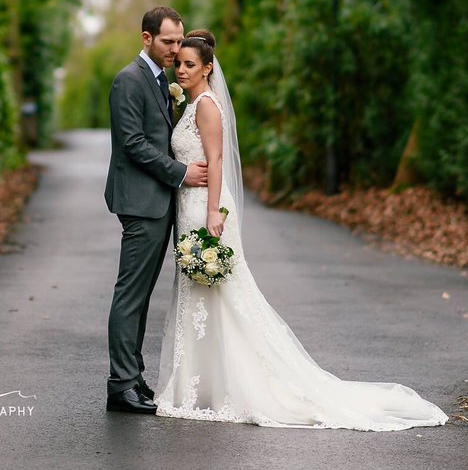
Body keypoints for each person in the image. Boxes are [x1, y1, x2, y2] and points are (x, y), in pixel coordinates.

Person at [155, 29, 449, 431]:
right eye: (179, 63)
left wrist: (213, 213)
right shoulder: (188, 105)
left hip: (204, 209)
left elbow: (217, 159)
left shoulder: (206, 106)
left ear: (208, 68)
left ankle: (234, 386)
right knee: (200, 292)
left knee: (221, 292)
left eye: (191, 64)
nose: (182, 69)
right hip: (186, 206)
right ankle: (200, 383)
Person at [104, 6, 208, 414]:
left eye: (180, 41)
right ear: (146, 38)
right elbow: (133, 143)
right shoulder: (129, 80)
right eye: (168, 41)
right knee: (130, 294)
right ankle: (121, 386)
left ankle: (133, 376)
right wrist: (181, 173)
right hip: (140, 202)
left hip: (156, 202)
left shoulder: (160, 79)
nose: (176, 49)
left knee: (142, 295)